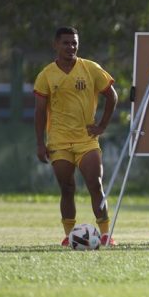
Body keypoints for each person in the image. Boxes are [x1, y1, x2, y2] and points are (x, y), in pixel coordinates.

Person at [34, 27, 118, 247]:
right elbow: (40, 111)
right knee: (67, 188)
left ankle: (106, 234)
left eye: (74, 43)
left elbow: (112, 96)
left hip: (86, 139)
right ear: (56, 45)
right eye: (66, 43)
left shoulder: (90, 68)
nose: (70, 47)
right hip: (58, 141)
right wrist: (40, 143)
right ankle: (69, 235)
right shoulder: (46, 75)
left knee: (95, 184)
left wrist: (101, 126)